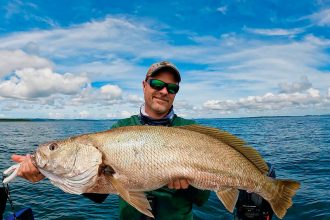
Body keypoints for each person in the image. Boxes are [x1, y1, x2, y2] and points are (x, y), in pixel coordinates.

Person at [11, 61, 211, 219]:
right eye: (157, 84)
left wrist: (191, 184)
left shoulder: (191, 130)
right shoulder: (119, 129)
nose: (164, 91)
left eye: (172, 88)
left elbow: (202, 200)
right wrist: (47, 173)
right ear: (144, 85)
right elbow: (99, 194)